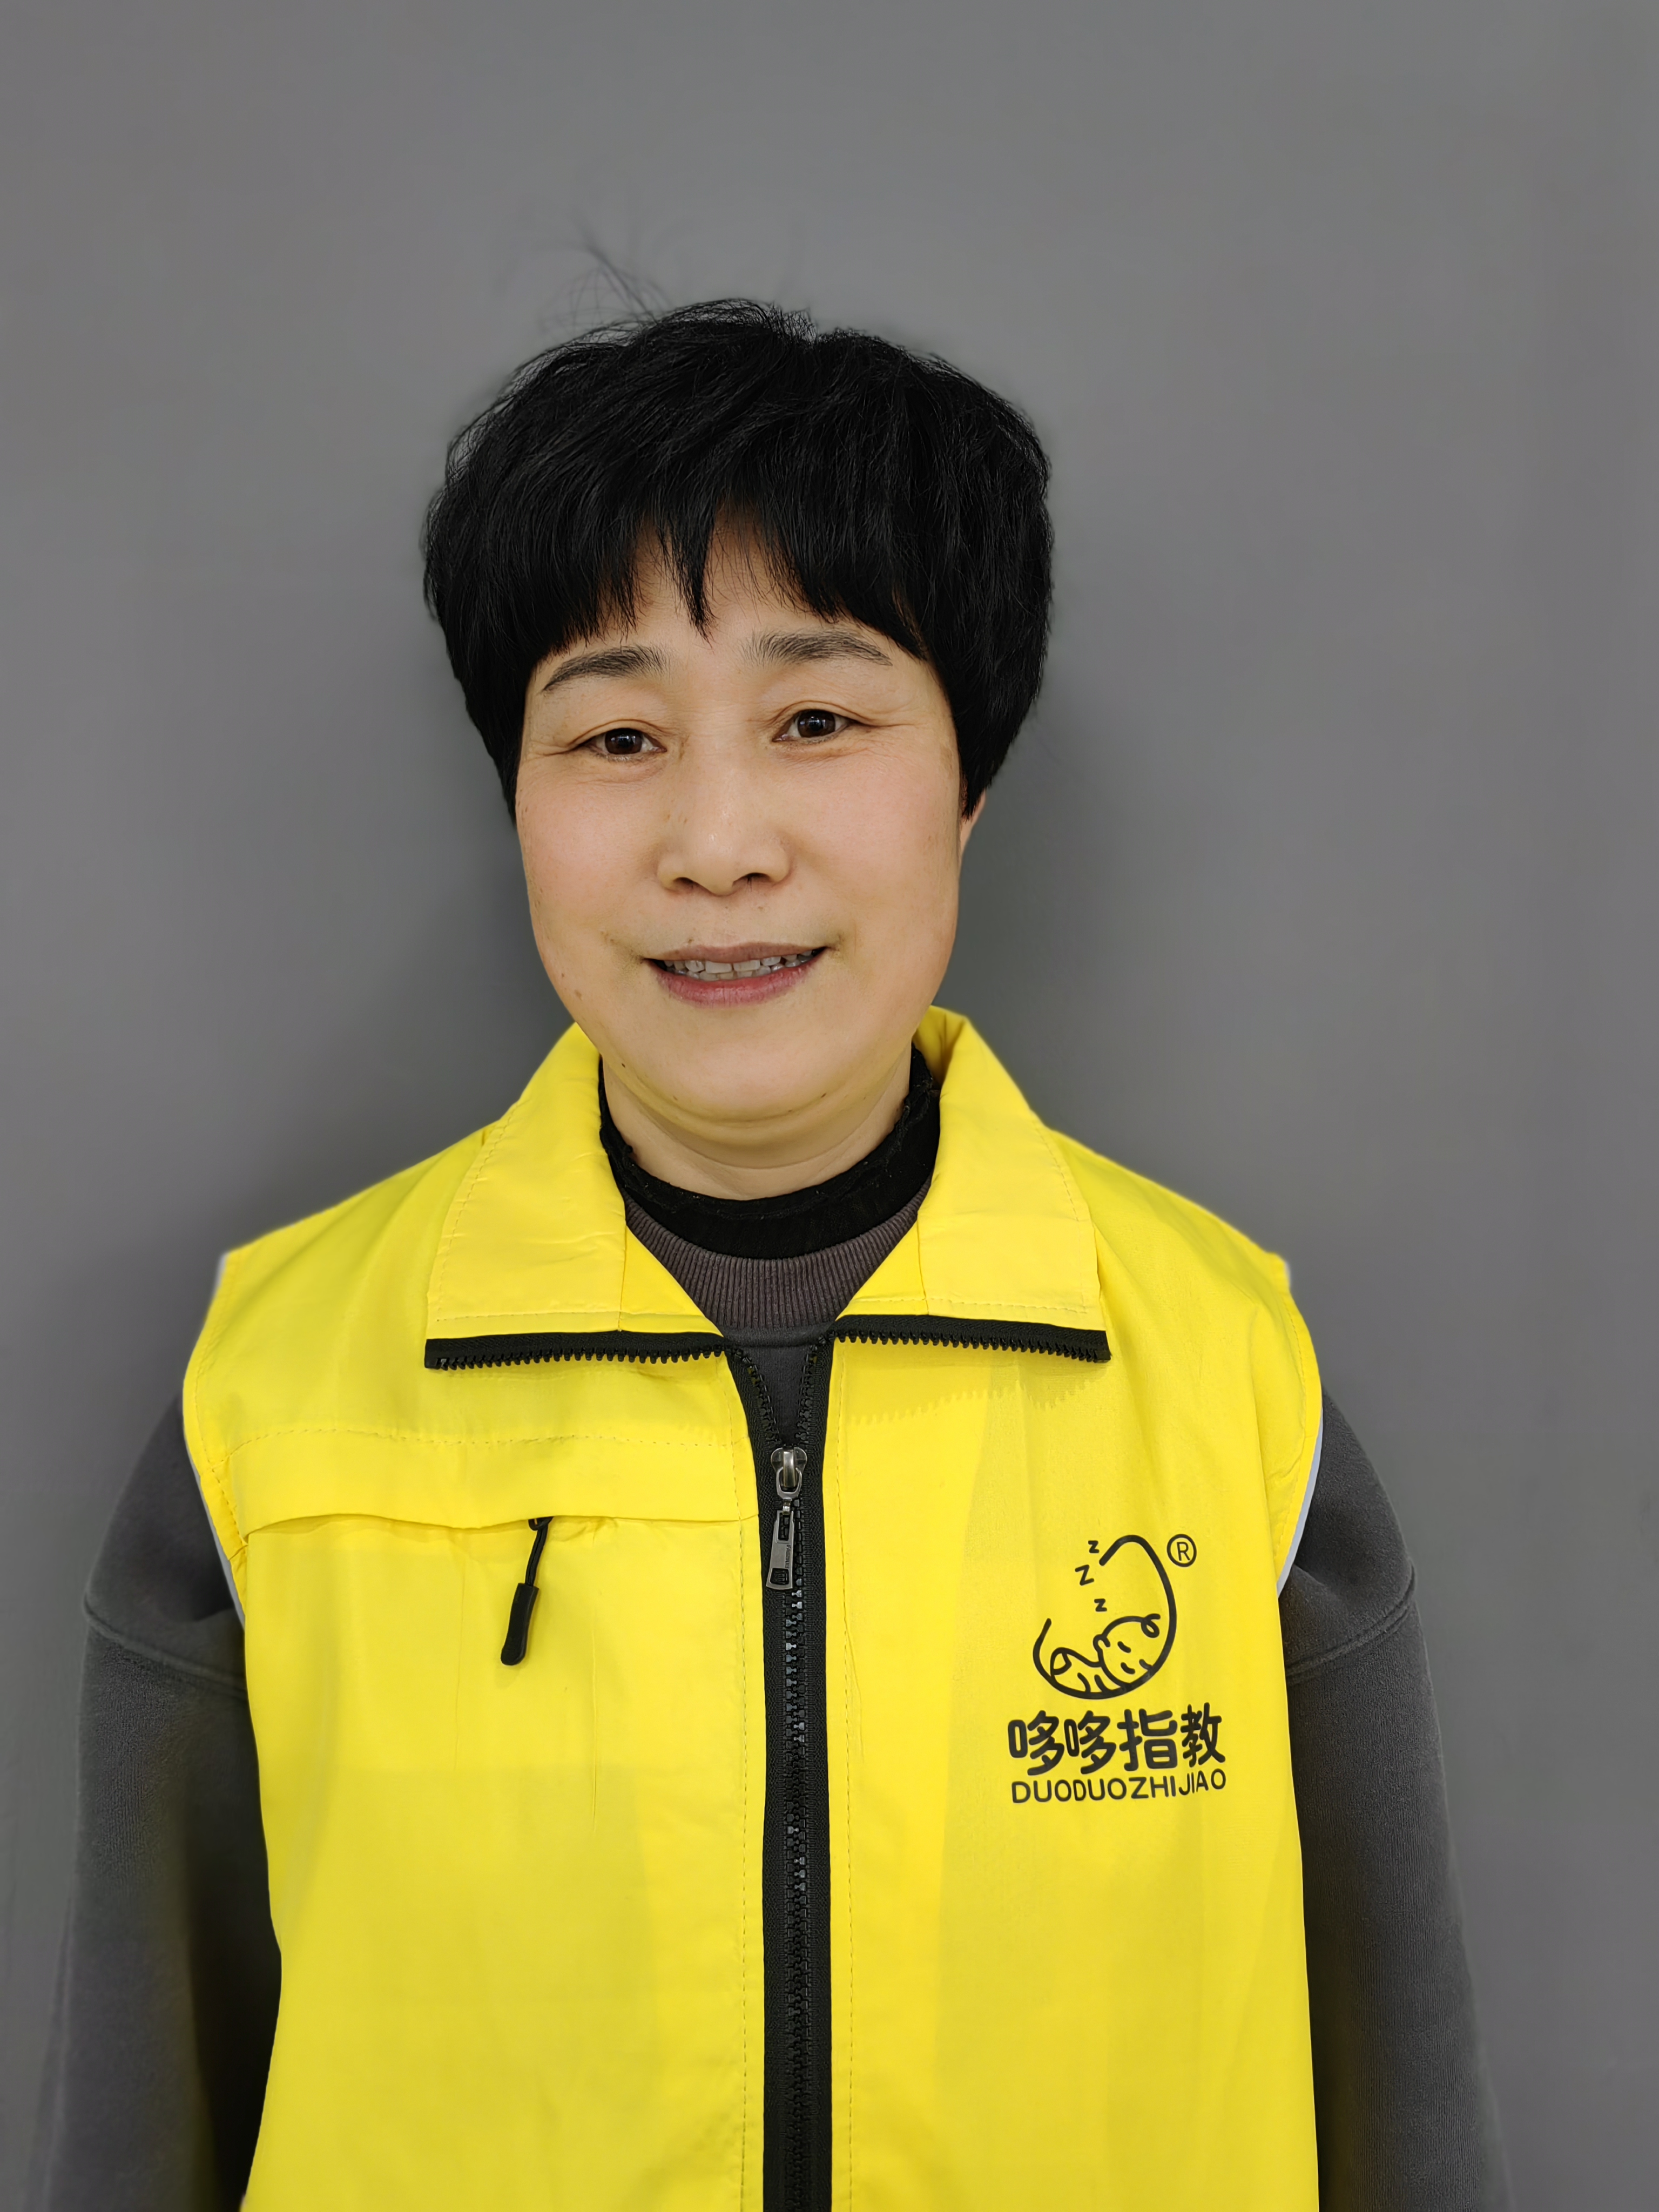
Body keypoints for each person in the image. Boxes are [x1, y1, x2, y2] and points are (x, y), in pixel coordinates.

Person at [31, 302, 1507, 2211]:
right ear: (517, 798)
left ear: (968, 780)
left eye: (817, 720)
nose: (718, 843)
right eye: (616, 735)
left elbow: (1405, 2111)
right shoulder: (275, 1400)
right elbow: (136, 2123)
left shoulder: (1231, 1383)